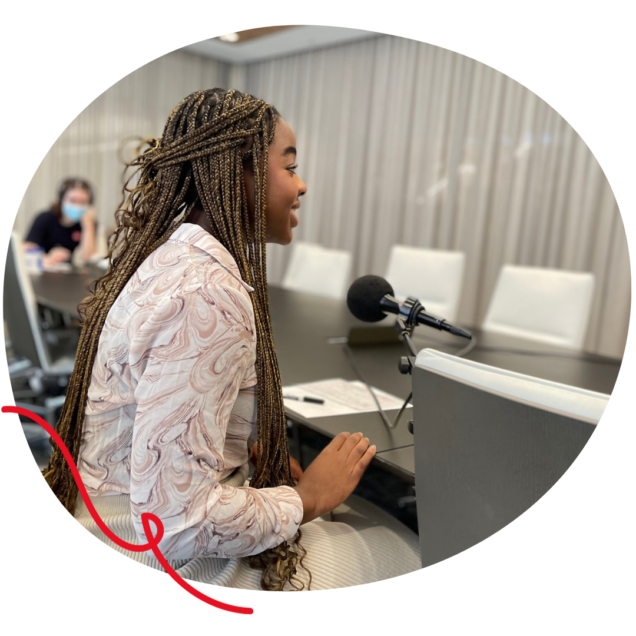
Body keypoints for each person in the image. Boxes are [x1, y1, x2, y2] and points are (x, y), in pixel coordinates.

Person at [44, 88, 420, 591]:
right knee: (414, 547)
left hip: (105, 517)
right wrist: (308, 499)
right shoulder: (207, 295)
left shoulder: (172, 256)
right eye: (289, 167)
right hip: (156, 557)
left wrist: (238, 448)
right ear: (239, 171)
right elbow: (174, 527)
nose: (302, 184)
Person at [24, 177, 98, 267]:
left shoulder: (89, 223)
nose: (77, 206)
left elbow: (88, 258)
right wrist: (47, 257)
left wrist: (88, 226)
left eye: (83, 202)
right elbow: (26, 249)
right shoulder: (45, 218)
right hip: (43, 269)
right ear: (62, 200)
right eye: (72, 200)